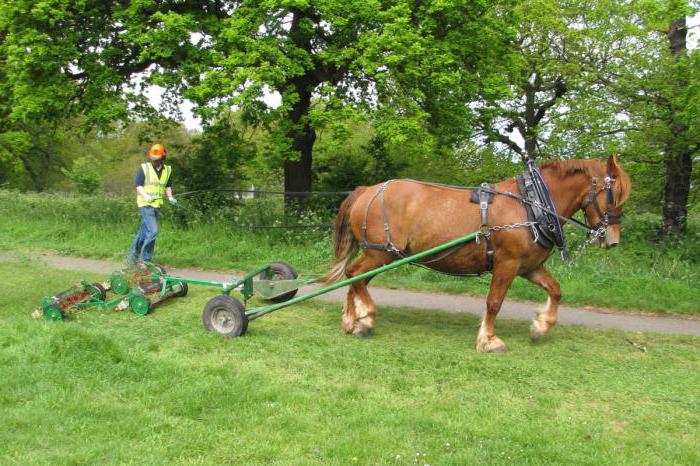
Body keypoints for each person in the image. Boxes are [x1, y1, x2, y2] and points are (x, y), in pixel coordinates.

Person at [127, 143, 177, 266]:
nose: (155, 161)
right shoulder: (144, 168)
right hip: (145, 204)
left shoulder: (168, 170)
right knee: (153, 231)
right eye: (153, 159)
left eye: (157, 159)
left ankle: (131, 259)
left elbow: (168, 186)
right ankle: (145, 261)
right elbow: (138, 186)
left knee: (143, 233)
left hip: (157, 205)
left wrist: (170, 197)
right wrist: (146, 196)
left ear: (162, 158)